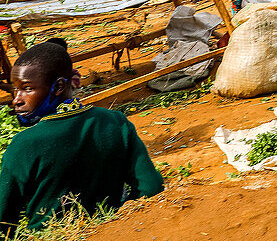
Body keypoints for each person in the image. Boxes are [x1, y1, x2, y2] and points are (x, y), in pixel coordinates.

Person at [0, 39, 163, 232]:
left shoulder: (24, 144)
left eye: (27, 89)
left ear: (58, 87)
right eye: (15, 89)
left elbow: (4, 220)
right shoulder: (116, 121)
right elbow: (151, 186)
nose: (16, 100)